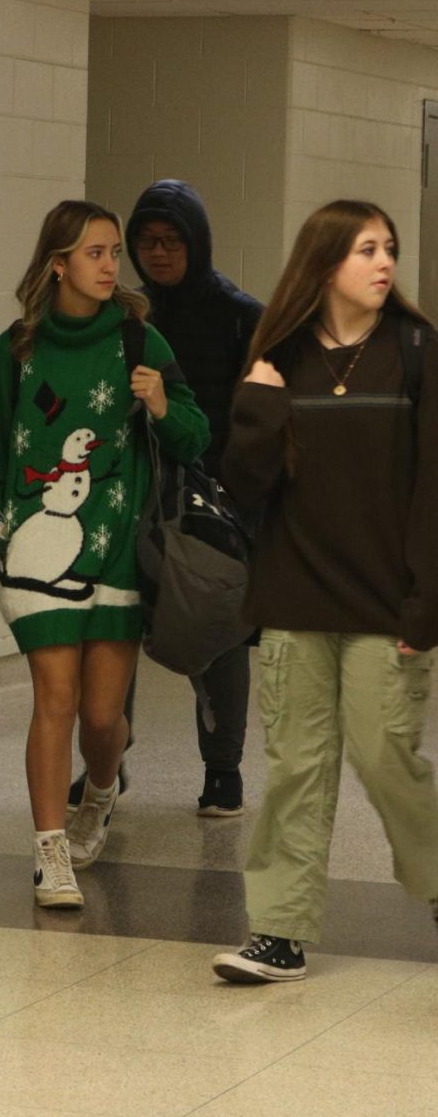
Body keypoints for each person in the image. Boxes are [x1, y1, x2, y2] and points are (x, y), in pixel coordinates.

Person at [0, 199, 208, 908]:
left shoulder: (138, 343)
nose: (110, 266)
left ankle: (99, 791)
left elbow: (196, 434)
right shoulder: (17, 350)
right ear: (58, 263)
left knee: (102, 719)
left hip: (118, 550)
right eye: (95, 252)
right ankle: (50, 850)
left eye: (113, 253)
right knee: (54, 700)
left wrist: (161, 404)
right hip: (35, 557)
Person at [211, 200, 438, 983]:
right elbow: (244, 485)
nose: (384, 264)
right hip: (294, 601)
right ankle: (279, 929)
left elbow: (434, 491)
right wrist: (259, 406)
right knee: (296, 768)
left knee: (385, 756)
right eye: (367, 250)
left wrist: (426, 604)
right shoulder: (281, 356)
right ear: (325, 263)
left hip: (386, 605)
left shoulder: (416, 351)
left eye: (390, 250)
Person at [72, 179, 262, 817]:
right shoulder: (126, 314)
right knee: (115, 624)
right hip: (135, 494)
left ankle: (224, 770)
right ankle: (107, 763)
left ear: (196, 243)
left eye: (171, 240)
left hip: (215, 497)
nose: (157, 253)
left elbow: (262, 411)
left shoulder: (241, 314)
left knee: (217, 629)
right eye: (146, 242)